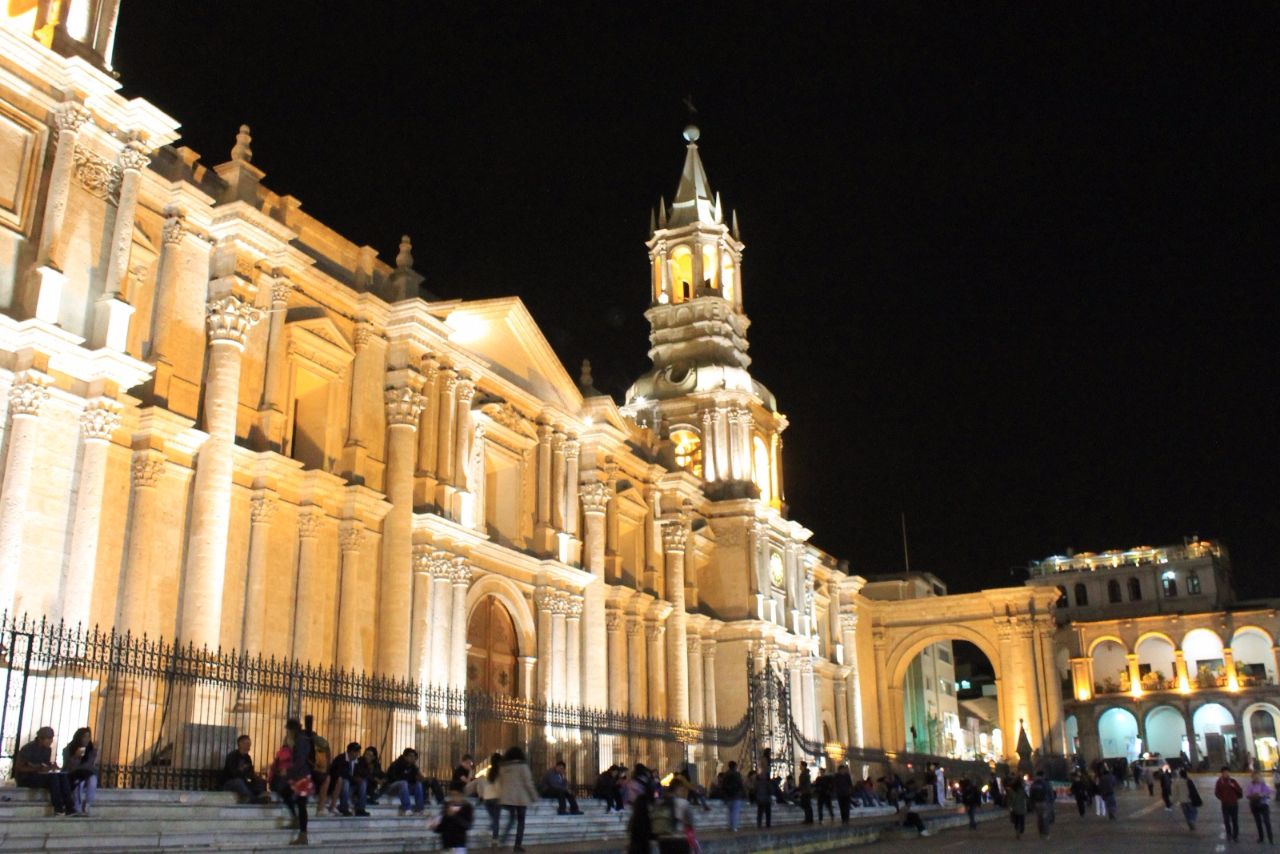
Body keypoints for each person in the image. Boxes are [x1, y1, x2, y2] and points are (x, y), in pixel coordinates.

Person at [14, 726, 74, 816]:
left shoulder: (47, 749)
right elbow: (19, 768)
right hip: (26, 777)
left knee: (62, 776)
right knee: (53, 778)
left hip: (39, 775)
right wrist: (37, 768)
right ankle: (58, 808)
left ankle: (70, 808)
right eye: (49, 738)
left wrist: (51, 766)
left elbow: (45, 765)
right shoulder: (28, 748)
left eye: (52, 738)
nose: (51, 741)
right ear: (41, 738)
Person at [272, 718, 313, 846]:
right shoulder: (301, 739)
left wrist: (288, 772)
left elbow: (300, 761)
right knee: (285, 792)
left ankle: (303, 835)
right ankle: (297, 822)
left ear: (291, 729)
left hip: (302, 777)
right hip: (301, 776)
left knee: (301, 804)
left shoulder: (300, 741)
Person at [499, 746, 538, 852]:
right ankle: (517, 845)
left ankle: (502, 840)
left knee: (511, 820)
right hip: (521, 798)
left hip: (508, 798)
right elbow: (528, 783)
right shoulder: (523, 766)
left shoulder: (503, 767)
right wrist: (534, 796)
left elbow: (500, 782)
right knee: (521, 822)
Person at [221, 734, 268, 805]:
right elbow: (232, 774)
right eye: (247, 744)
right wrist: (241, 769)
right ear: (240, 744)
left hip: (243, 783)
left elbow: (250, 774)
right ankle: (253, 799)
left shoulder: (248, 758)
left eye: (250, 744)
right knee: (238, 782)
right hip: (229, 783)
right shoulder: (232, 756)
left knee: (260, 781)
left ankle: (260, 797)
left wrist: (257, 778)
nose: (249, 747)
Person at [61, 727, 98, 816]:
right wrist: (75, 756)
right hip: (73, 773)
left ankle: (87, 803)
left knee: (93, 780)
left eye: (88, 737)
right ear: (79, 737)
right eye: (84, 737)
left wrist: (93, 752)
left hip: (86, 773)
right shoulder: (69, 749)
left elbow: (90, 765)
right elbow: (68, 766)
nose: (87, 739)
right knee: (79, 783)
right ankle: (77, 807)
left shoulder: (90, 750)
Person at [302, 715, 331, 818]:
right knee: (325, 779)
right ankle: (320, 808)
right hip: (305, 772)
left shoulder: (314, 742)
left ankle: (321, 808)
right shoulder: (306, 741)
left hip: (310, 772)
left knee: (326, 778)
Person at [330, 742, 370, 817]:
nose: (358, 754)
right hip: (342, 785)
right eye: (356, 752)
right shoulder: (340, 759)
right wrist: (353, 778)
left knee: (363, 783)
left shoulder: (360, 761)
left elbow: (366, 772)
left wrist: (360, 778)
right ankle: (343, 807)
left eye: (358, 752)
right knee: (346, 782)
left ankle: (360, 809)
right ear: (351, 752)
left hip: (354, 786)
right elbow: (337, 773)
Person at [472, 752, 503, 845]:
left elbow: (486, 783)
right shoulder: (501, 772)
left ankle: (488, 830)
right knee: (496, 820)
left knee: (493, 819)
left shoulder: (489, 771)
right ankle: (495, 839)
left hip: (487, 798)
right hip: (496, 798)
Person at [430, 788, 474, 853]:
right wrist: (434, 827)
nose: (454, 797)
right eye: (452, 795)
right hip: (446, 844)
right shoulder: (447, 805)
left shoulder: (467, 807)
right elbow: (442, 825)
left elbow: (467, 825)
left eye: (456, 795)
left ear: (462, 795)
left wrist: (454, 816)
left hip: (459, 844)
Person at [385, 748, 426, 815]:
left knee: (418, 784)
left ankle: (420, 809)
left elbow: (414, 780)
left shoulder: (413, 767)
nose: (412, 758)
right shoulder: (396, 764)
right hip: (392, 787)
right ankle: (407, 809)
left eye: (414, 757)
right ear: (405, 757)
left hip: (404, 788)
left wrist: (419, 777)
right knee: (403, 783)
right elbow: (393, 778)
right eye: (410, 756)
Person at [1216, 766, 1243, 843]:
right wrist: (1222, 798)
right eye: (1224, 772)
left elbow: (1240, 790)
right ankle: (1229, 834)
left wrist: (1234, 787)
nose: (1226, 774)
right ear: (1222, 773)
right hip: (1225, 804)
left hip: (1234, 803)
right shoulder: (1219, 782)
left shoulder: (1233, 781)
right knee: (1226, 820)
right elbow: (1217, 792)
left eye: (1227, 772)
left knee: (1235, 820)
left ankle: (1235, 836)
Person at [1246, 770, 1274, 844]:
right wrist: (1253, 796)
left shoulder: (1263, 784)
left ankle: (1270, 838)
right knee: (1258, 822)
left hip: (1264, 805)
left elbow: (1270, 791)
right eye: (1254, 777)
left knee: (1267, 821)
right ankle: (1261, 838)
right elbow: (1248, 795)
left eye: (1258, 776)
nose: (1256, 778)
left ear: (1260, 777)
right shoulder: (1250, 785)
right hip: (1255, 805)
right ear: (1252, 777)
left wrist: (1262, 794)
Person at [1171, 767, 1201, 831]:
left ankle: (1189, 823)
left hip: (1182, 801)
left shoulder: (1176, 782)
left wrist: (1173, 801)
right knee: (1194, 811)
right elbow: (1194, 790)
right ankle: (1192, 820)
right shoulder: (1189, 780)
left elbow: (1174, 792)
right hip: (1190, 800)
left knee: (1186, 813)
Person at [720, 760, 745, 832]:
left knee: (730, 812)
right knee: (735, 812)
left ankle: (730, 826)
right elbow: (740, 784)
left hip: (728, 796)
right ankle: (734, 827)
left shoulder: (725, 775)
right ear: (735, 766)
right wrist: (744, 793)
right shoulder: (737, 774)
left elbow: (723, 786)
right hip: (736, 796)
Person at [1029, 771, 1052, 840]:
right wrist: (1051, 801)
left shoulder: (1034, 784)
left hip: (1037, 803)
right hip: (1044, 802)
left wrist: (1032, 804)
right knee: (1045, 818)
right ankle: (1046, 833)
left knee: (1039, 819)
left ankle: (1041, 833)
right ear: (1043, 775)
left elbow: (1031, 794)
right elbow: (1049, 792)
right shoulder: (1045, 783)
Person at [754, 764, 773, 828]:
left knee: (760, 813)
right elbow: (770, 791)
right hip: (766, 799)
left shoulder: (757, 783)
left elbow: (755, 790)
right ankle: (767, 824)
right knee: (767, 813)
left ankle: (759, 824)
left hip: (761, 799)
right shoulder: (767, 783)